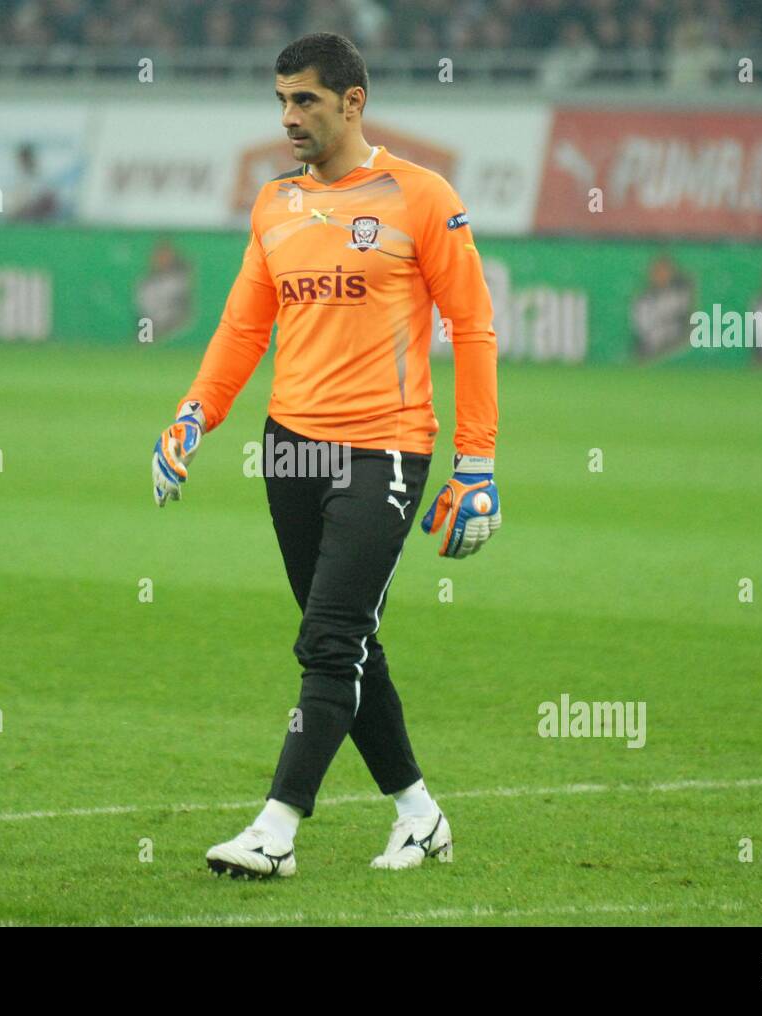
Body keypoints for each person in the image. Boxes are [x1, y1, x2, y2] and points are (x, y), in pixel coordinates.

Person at [151, 32, 500, 879]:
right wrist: (193, 415)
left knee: (330, 638)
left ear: (353, 102)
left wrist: (476, 462)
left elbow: (474, 325)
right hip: (291, 451)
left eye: (304, 99)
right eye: (279, 101)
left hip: (385, 450)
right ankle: (418, 816)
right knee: (342, 641)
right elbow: (244, 326)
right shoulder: (274, 205)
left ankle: (276, 829)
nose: (288, 117)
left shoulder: (421, 198)